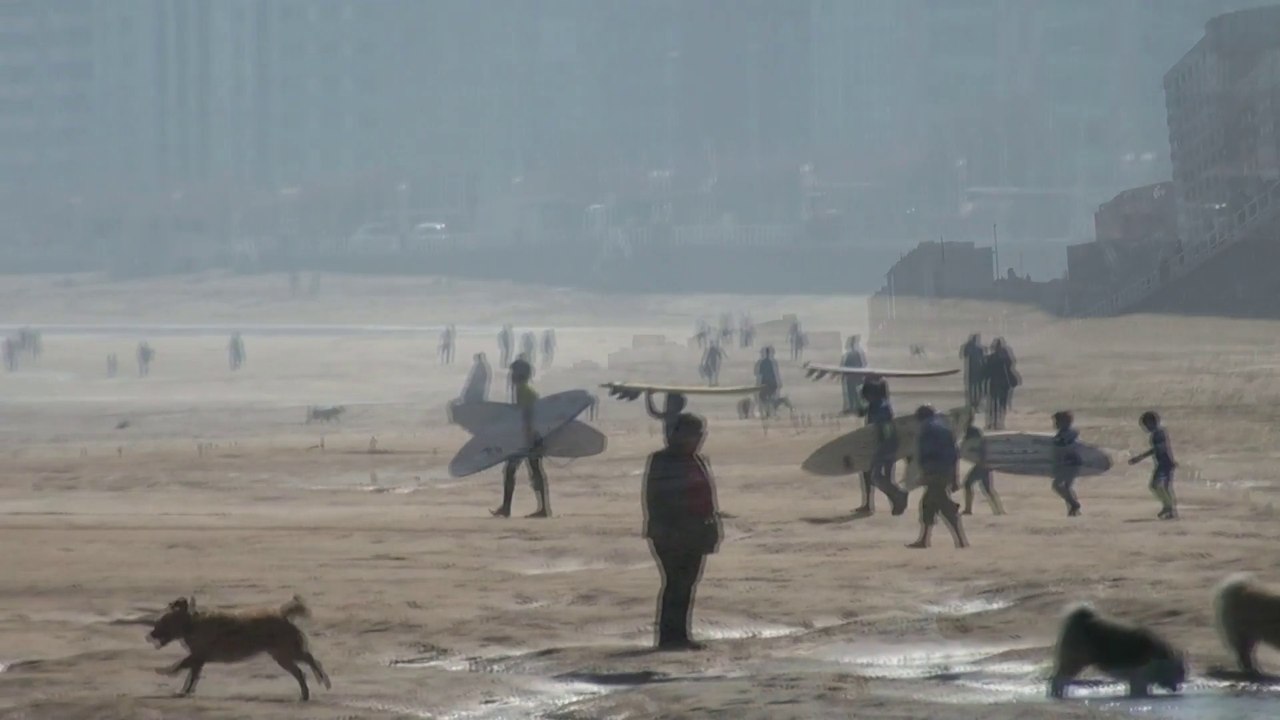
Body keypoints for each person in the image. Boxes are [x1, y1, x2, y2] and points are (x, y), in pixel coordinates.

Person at [642, 412, 721, 651]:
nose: (698, 439)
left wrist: (712, 526)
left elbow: (708, 497)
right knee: (676, 583)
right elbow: (655, 499)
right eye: (694, 435)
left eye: (700, 435)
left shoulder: (698, 460)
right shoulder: (662, 460)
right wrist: (670, 530)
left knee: (687, 584)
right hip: (670, 534)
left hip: (696, 532)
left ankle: (681, 635)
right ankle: (669, 637)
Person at [491, 358, 550, 518]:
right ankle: (543, 508)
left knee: (511, 471)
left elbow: (527, 415)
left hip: (527, 439)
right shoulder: (524, 390)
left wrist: (524, 439)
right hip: (532, 437)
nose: (511, 376)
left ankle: (507, 508)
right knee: (535, 471)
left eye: (513, 373)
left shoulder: (522, 390)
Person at [908, 405, 967, 549]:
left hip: (935, 472)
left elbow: (925, 456)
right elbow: (954, 455)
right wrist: (954, 478)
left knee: (945, 506)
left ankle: (961, 540)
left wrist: (924, 475)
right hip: (946, 471)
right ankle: (924, 540)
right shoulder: (945, 428)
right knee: (928, 504)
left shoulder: (926, 430)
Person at [856, 375, 909, 516]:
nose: (866, 398)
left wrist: (882, 449)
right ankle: (869, 504)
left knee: (881, 477)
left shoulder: (882, 407)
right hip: (877, 445)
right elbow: (861, 413)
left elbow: (885, 430)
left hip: (885, 445)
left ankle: (898, 498)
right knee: (868, 474)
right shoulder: (875, 405)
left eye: (867, 396)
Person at [1129, 411, 1178, 519]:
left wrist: (1140, 457)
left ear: (1151, 422)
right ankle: (1168, 508)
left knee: (1156, 486)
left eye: (1145, 425)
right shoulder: (1158, 433)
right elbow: (1158, 449)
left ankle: (1169, 508)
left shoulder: (1158, 433)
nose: (1145, 428)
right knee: (1162, 487)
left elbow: (1160, 448)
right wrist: (1139, 458)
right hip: (1164, 463)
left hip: (1164, 464)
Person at [961, 422, 1004, 515]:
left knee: (968, 484)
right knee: (987, 489)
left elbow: (980, 452)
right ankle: (999, 510)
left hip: (982, 466)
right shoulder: (981, 440)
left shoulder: (977, 441)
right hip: (985, 465)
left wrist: (982, 463)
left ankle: (968, 509)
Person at [1051, 411, 1083, 517]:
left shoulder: (1068, 434)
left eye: (1056, 422)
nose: (1054, 424)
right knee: (1067, 487)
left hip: (1071, 464)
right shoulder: (1065, 434)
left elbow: (1065, 447)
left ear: (1064, 422)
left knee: (1057, 485)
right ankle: (1073, 509)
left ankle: (1074, 504)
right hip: (1070, 464)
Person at [985, 337, 1018, 430]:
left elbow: (986, 372)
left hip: (994, 383)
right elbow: (1011, 364)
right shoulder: (1005, 358)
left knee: (993, 404)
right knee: (1001, 404)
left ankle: (993, 423)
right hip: (1004, 383)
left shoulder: (991, 358)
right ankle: (1000, 423)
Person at [754, 346, 784, 418]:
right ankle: (773, 411)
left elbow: (757, 374)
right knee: (773, 396)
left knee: (761, 397)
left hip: (764, 383)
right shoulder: (774, 362)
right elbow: (776, 373)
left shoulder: (760, 362)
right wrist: (779, 382)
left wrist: (757, 385)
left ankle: (765, 411)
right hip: (773, 383)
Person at [841, 336, 868, 415]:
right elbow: (863, 364)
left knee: (852, 393)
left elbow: (845, 365)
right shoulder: (859, 352)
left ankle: (853, 407)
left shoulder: (849, 353)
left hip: (852, 376)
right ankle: (856, 407)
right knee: (857, 392)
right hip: (857, 375)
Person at [959, 333, 986, 410]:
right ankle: (973, 403)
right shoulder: (976, 349)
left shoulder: (978, 349)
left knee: (975, 388)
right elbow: (963, 355)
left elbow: (963, 355)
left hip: (975, 371)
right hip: (974, 371)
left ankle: (974, 403)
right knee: (974, 388)